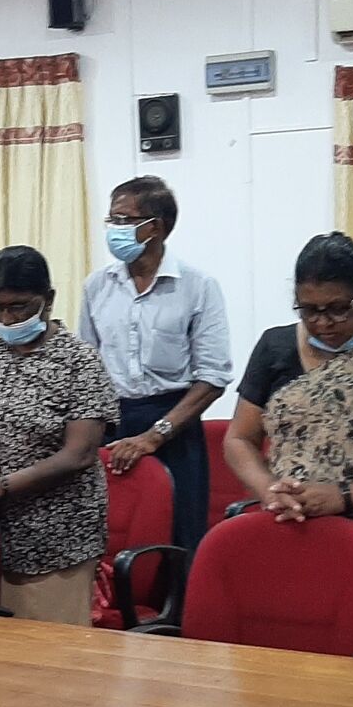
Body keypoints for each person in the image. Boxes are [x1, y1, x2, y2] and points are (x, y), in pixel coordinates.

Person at [224, 233, 353, 639]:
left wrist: (344, 497)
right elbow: (239, 439)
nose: (323, 323)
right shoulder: (275, 346)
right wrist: (269, 489)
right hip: (289, 528)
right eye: (309, 310)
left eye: (339, 309)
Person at [0, 246, 118, 625]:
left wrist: (1, 486)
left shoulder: (78, 361)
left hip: (54, 538)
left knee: (49, 654)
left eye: (19, 307)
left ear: (48, 299)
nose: (7, 318)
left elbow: (80, 453)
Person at [79, 175, 232, 552]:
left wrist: (155, 435)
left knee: (178, 538)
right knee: (113, 535)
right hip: (113, 424)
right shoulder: (97, 286)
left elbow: (213, 378)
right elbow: (86, 368)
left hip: (174, 424)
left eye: (123, 220)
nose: (114, 229)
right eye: (111, 220)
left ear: (155, 227)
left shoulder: (198, 286)